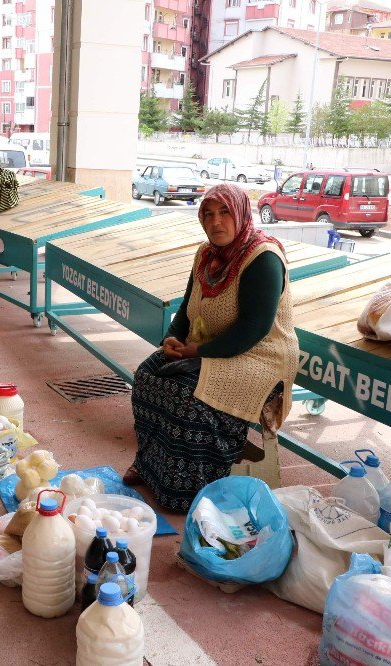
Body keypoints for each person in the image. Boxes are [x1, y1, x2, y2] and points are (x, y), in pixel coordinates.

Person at [124, 184, 299, 512]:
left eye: (225, 213)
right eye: (207, 214)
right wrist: (170, 339)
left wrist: (194, 353)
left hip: (260, 356)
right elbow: (188, 306)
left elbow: (253, 330)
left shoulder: (262, 259)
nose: (216, 222)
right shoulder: (206, 254)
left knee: (185, 394)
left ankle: (189, 486)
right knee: (149, 373)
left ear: (241, 214)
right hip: (210, 347)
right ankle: (149, 466)